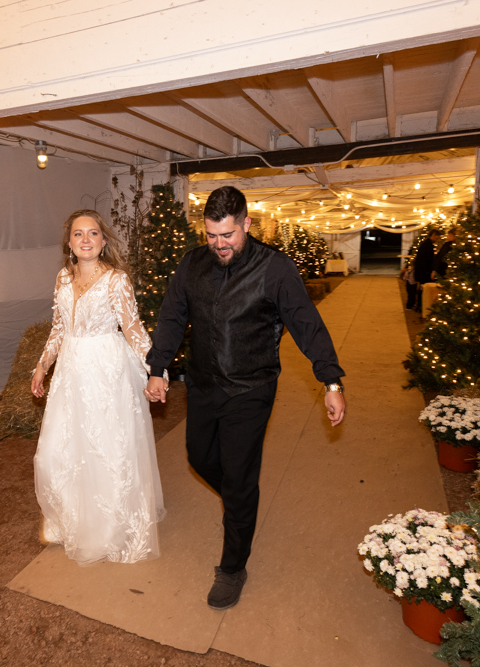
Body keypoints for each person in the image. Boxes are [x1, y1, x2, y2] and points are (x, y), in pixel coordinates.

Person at [144, 186, 346, 611]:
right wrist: (158, 367)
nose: (219, 244)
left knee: (237, 477)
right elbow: (172, 315)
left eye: (228, 235)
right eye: (211, 235)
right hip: (203, 384)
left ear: (246, 224)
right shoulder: (192, 264)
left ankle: (233, 567)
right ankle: (242, 501)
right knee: (199, 457)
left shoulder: (275, 268)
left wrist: (331, 382)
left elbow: (306, 324)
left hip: (251, 389)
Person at [30, 210, 165, 565]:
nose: (85, 239)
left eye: (93, 233)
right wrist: (42, 366)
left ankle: (109, 528)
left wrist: (157, 370)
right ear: (69, 243)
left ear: (103, 242)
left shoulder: (116, 280)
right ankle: (69, 520)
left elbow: (133, 329)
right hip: (70, 372)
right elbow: (58, 328)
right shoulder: (63, 277)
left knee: (106, 448)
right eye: (78, 234)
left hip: (107, 372)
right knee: (59, 449)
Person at [412, 229, 441, 312]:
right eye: (437, 236)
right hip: (424, 272)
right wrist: (430, 271)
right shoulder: (428, 245)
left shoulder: (426, 244)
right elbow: (428, 260)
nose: (437, 238)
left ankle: (419, 306)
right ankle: (421, 306)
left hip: (422, 271)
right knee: (424, 289)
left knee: (422, 288)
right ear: (433, 235)